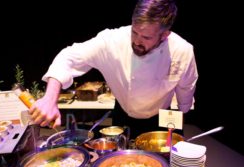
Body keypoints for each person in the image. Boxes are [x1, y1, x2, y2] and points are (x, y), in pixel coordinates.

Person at [30, 0, 198, 139]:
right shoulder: (111, 41)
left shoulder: (182, 50)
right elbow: (69, 56)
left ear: (164, 35)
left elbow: (186, 87)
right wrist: (49, 99)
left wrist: (181, 113)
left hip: (162, 117)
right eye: (134, 32)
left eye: (146, 37)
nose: (137, 41)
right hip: (123, 115)